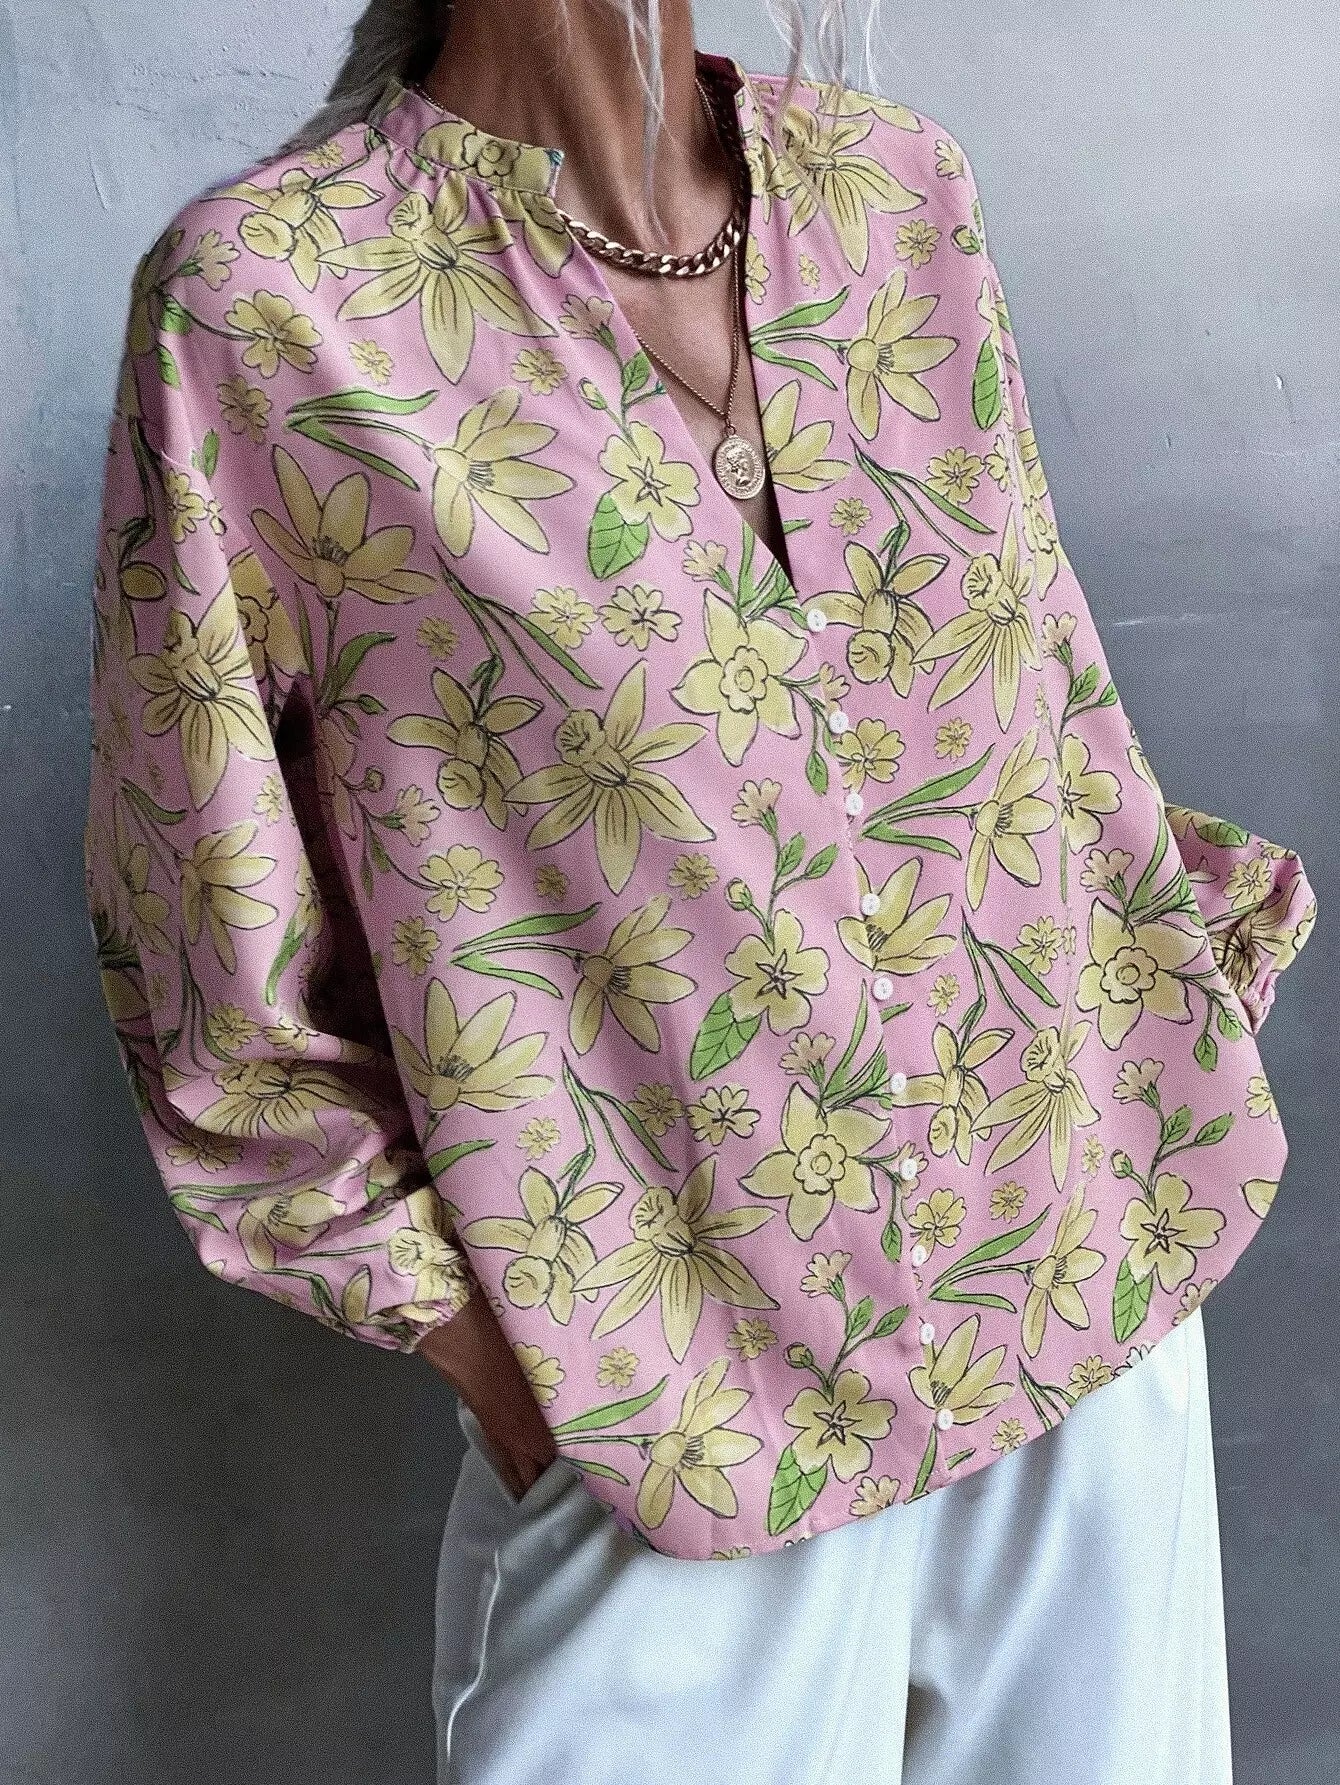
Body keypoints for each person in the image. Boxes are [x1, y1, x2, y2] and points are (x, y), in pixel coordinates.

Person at [82, 1, 1317, 1778]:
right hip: (675, 1414)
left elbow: (1043, 719)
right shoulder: (272, 306)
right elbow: (203, 942)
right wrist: (510, 1367)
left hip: (1079, 1312)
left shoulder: (897, 198)